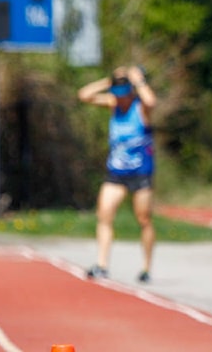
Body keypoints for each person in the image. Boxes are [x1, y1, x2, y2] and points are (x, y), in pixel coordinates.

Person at [77, 65, 157, 282]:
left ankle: (146, 267)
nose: (120, 99)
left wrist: (138, 80)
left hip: (140, 172)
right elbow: (84, 95)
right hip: (116, 172)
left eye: (123, 94)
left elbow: (151, 101)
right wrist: (109, 81)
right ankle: (102, 264)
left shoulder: (141, 109)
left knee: (143, 219)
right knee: (104, 214)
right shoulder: (114, 104)